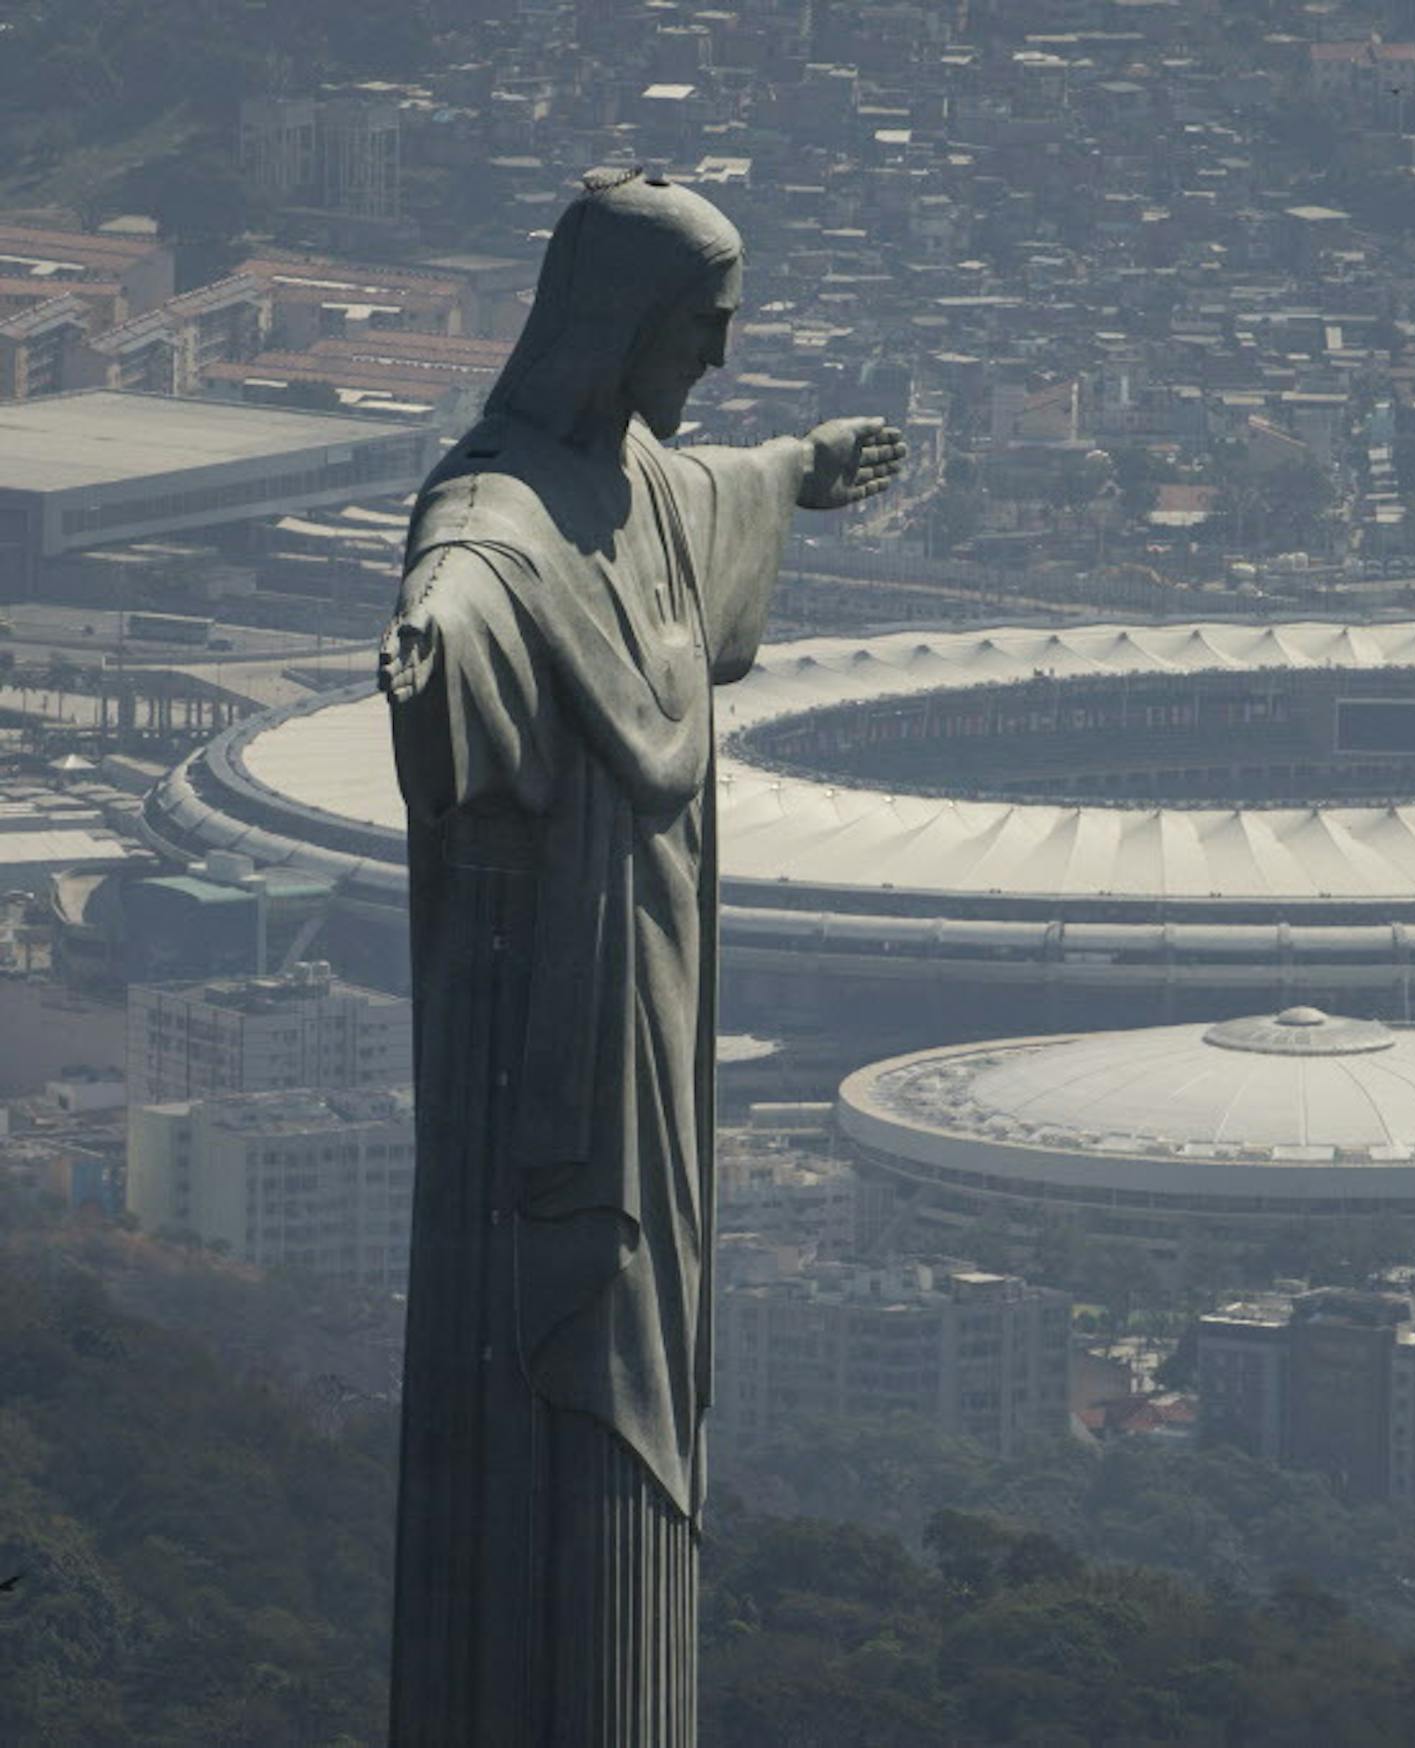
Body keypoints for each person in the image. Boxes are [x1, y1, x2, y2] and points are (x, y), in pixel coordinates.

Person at [377, 165, 902, 1745]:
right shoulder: (498, 518)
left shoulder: (649, 484)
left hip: (656, 994)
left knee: (651, 1328)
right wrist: (438, 645)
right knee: (578, 1332)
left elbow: (710, 489)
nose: (719, 363)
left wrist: (801, 469)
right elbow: (463, 586)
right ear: (616, 324)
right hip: (557, 1014)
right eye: (701, 328)